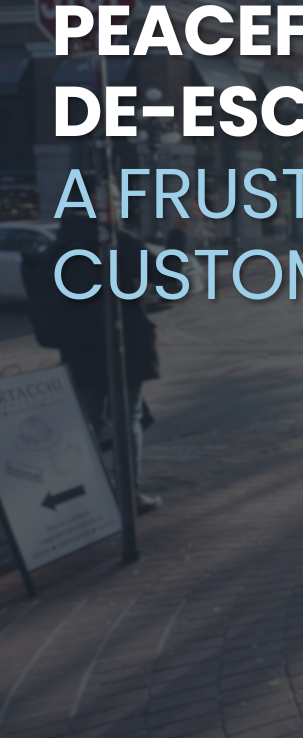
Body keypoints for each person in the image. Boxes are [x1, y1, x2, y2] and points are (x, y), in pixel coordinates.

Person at [24, 208, 164, 515]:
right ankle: (130, 493)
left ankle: (88, 494)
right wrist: (177, 238)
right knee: (127, 419)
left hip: (79, 350)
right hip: (123, 343)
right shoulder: (120, 241)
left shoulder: (59, 246)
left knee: (89, 423)